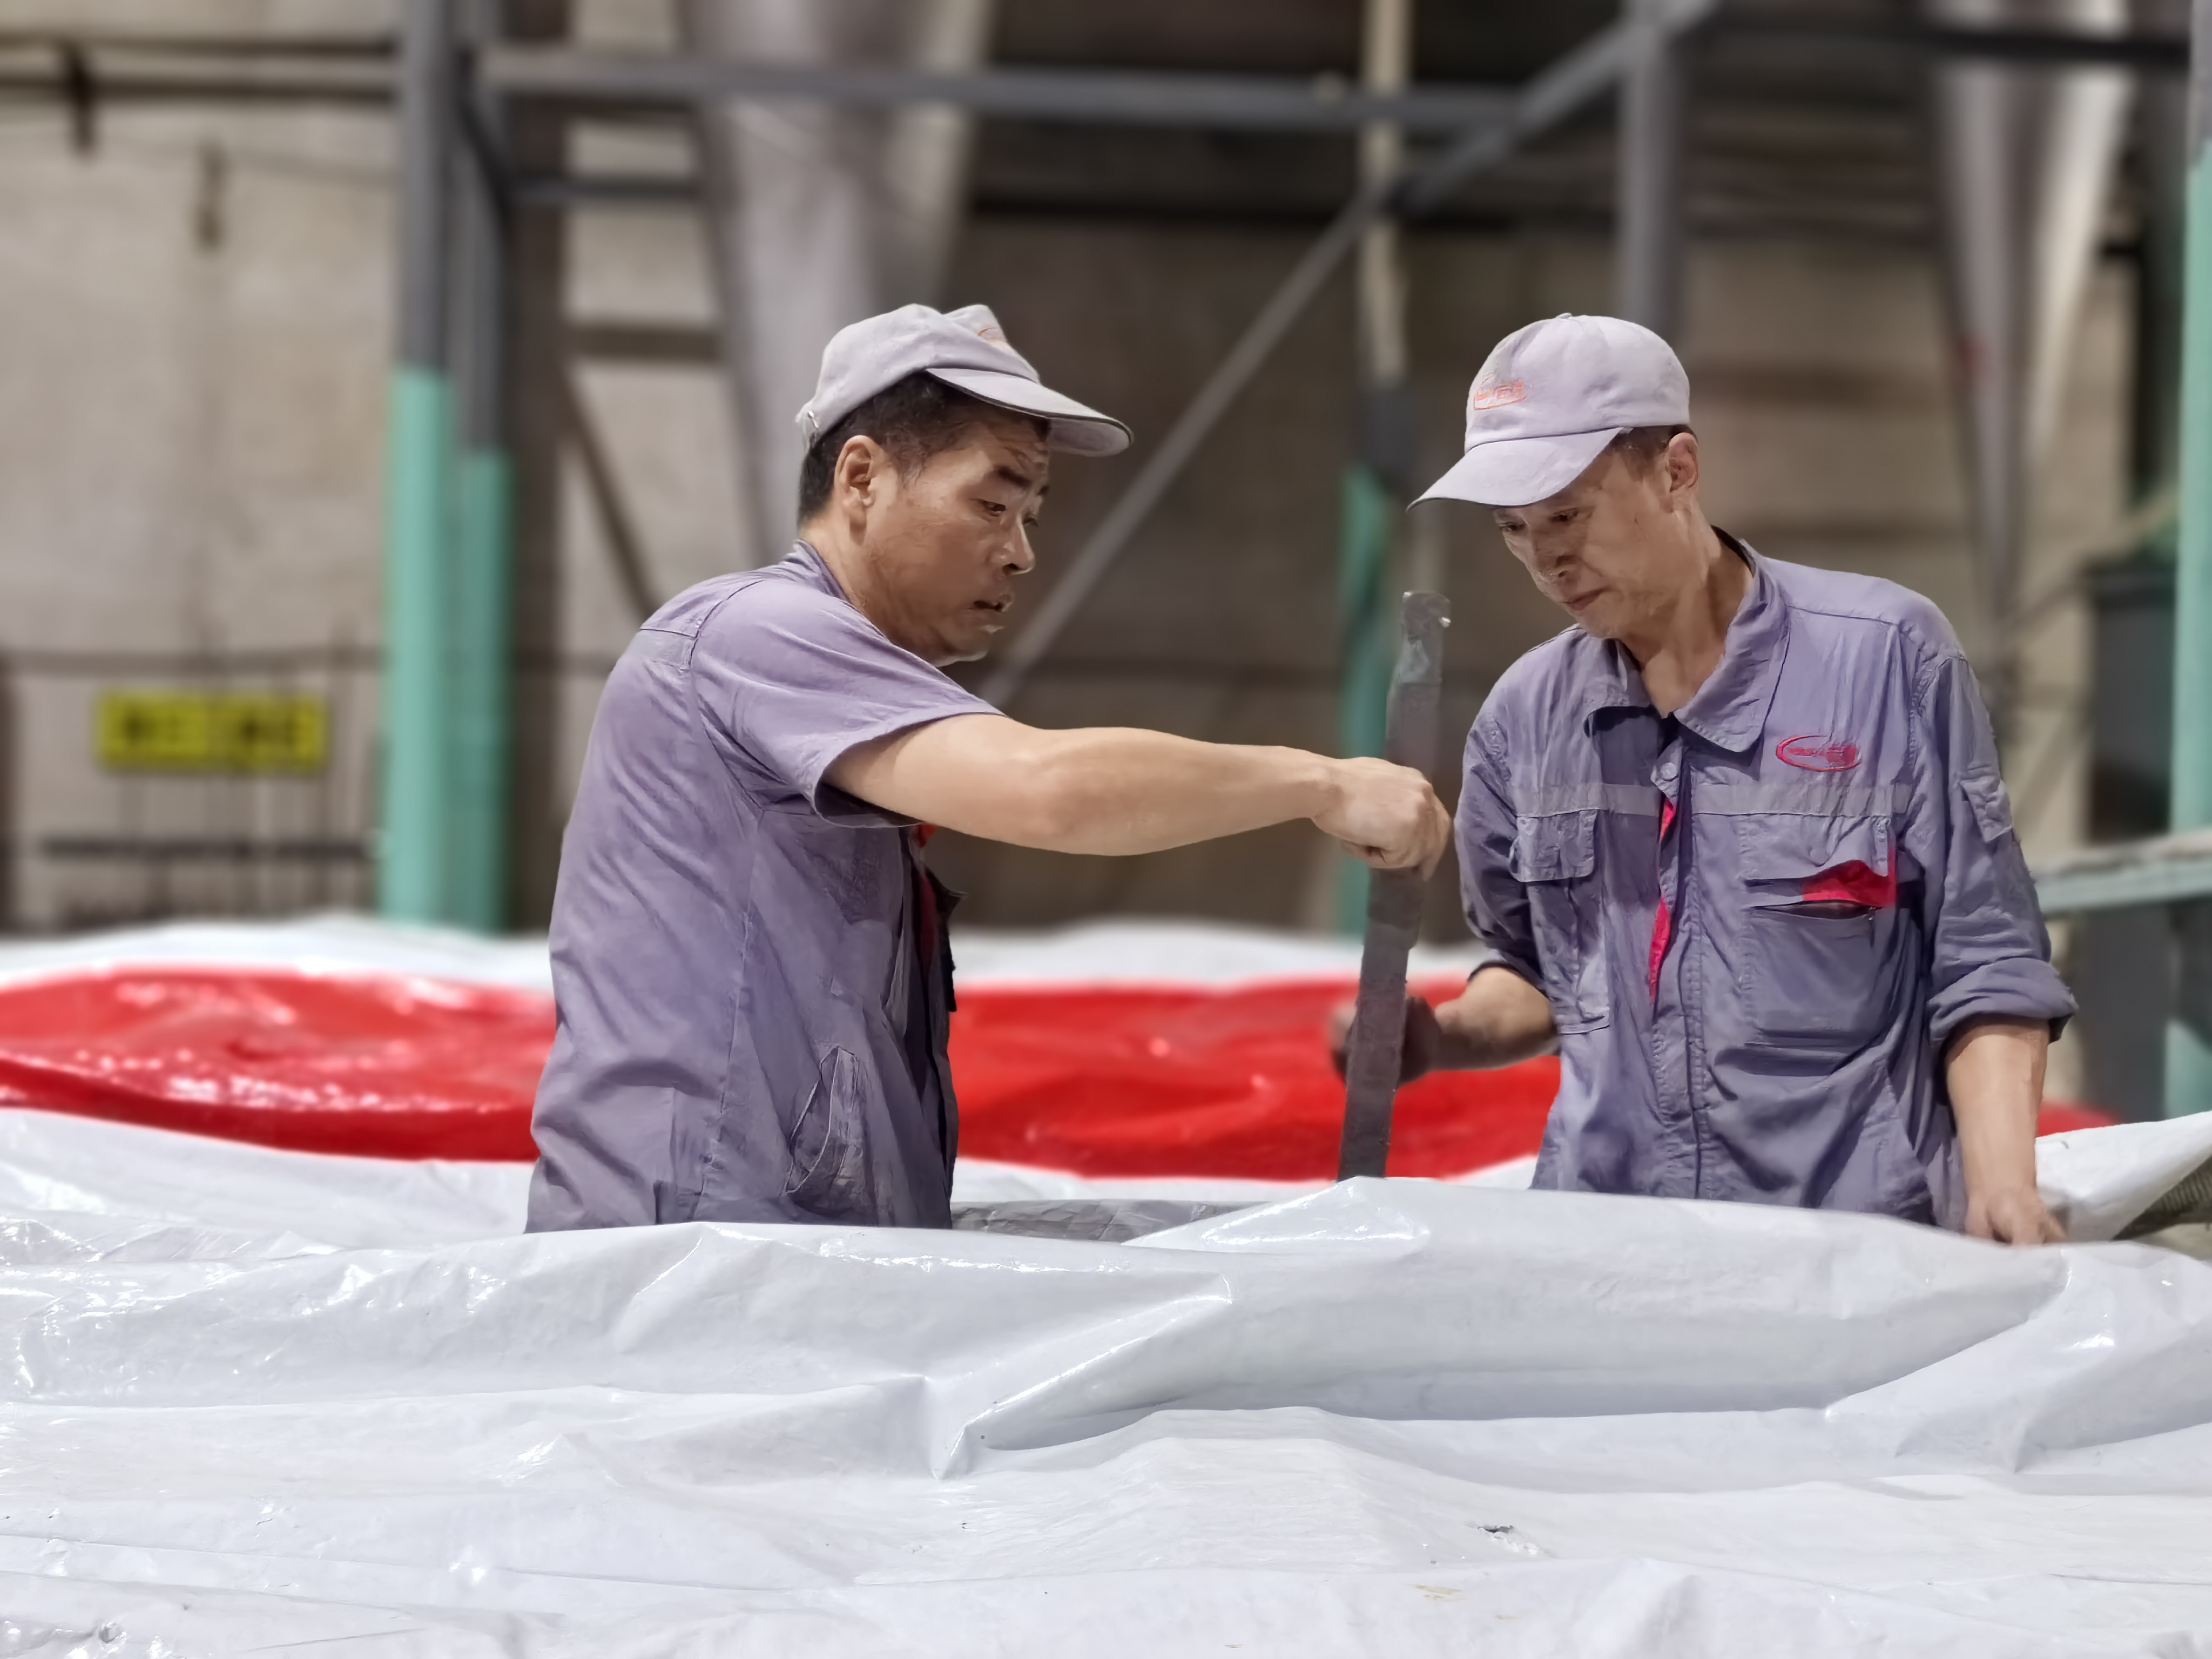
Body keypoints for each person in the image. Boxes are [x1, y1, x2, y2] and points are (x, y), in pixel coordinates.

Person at [528, 302, 1449, 1232]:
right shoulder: (757, 632)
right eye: (992, 506)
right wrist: (1322, 784)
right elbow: (1046, 792)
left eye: (1031, 516)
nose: (1020, 553)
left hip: (755, 1250)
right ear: (862, 478)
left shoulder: (815, 669)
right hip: (700, 1258)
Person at [1388, 313, 2075, 1245]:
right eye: (1514, 528)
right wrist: (1442, 1038)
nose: (1546, 561)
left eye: (1567, 515)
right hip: (1607, 1251)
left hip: (1856, 1255)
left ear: (1676, 470)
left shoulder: (1885, 660)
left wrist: (2001, 1187)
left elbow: (1984, 959)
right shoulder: (1524, 718)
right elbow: (1535, 972)